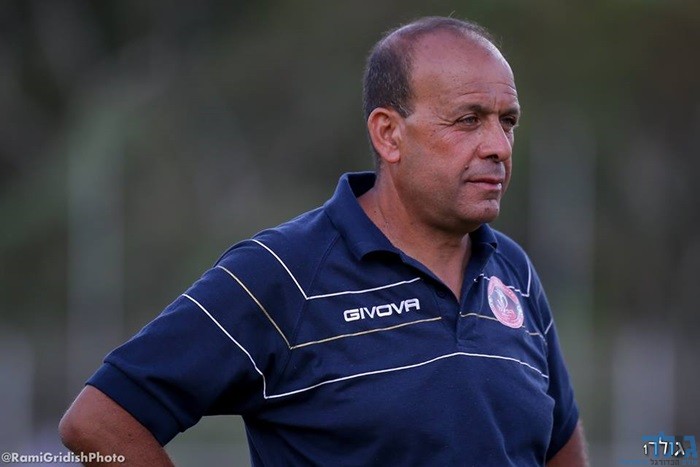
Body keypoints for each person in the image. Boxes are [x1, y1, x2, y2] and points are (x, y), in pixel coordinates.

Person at [60, 16, 589, 466]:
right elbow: (98, 421)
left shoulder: (513, 272)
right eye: (468, 120)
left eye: (507, 122)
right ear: (388, 134)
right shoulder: (281, 272)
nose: (498, 146)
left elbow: (561, 447)